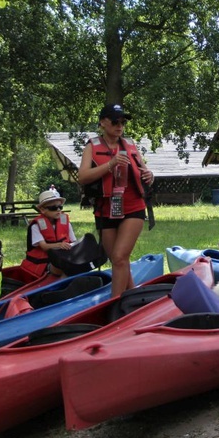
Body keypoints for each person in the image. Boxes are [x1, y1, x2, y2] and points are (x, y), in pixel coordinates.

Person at [78, 104, 154, 296]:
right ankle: (133, 297)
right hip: (105, 209)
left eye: (123, 122)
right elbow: (83, 177)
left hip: (133, 206)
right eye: (115, 121)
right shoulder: (92, 146)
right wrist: (110, 165)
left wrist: (149, 175)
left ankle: (116, 306)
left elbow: (143, 170)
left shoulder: (129, 144)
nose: (119, 126)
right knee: (117, 260)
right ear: (103, 123)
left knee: (120, 257)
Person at [19, 189, 77, 278]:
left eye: (60, 207)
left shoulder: (65, 222)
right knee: (66, 270)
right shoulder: (36, 225)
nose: (58, 210)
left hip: (63, 258)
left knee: (77, 267)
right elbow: (44, 247)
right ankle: (61, 288)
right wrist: (59, 245)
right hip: (44, 261)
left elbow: (74, 241)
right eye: (53, 208)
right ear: (42, 210)